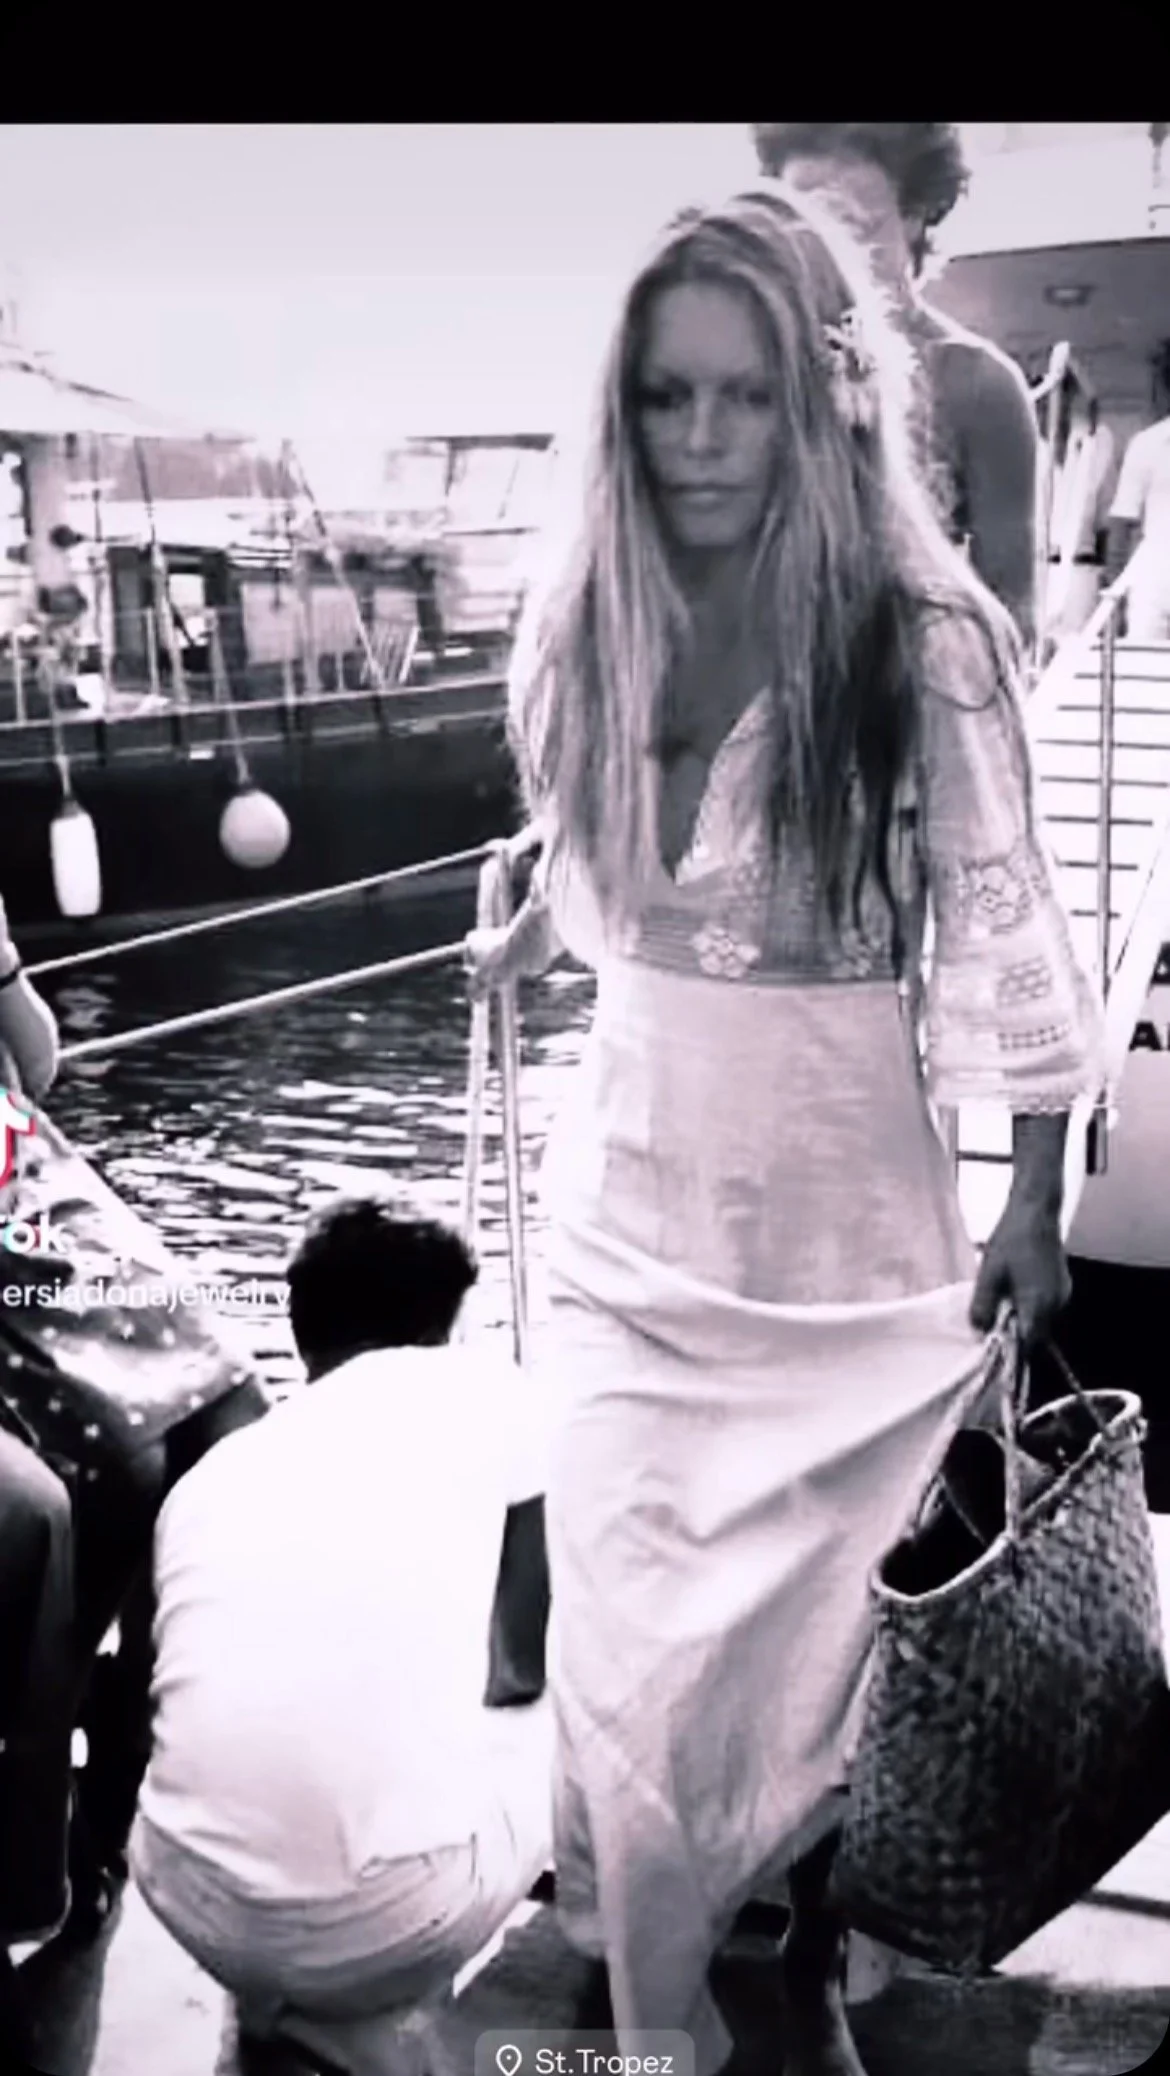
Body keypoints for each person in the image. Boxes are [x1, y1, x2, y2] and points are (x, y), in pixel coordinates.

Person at [464, 183, 1104, 2076]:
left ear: (827, 397)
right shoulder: (596, 606)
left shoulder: (925, 637)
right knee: (629, 1657)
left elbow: (1006, 916)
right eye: (666, 397)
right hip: (629, 1205)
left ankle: (800, 1944)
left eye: (743, 395)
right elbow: (605, 853)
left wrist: (1035, 1194)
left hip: (842, 1232)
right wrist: (527, 926)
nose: (701, 438)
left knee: (832, 1653)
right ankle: (663, 2023)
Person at [130, 1196, 553, 2076]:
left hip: (181, 1887)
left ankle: (284, 2004)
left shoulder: (212, 1476)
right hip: (392, 1925)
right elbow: (521, 1668)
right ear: (447, 1328)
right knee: (571, 1693)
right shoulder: (501, 1395)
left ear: (299, 1332)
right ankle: (364, 2014)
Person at [0, 892, 269, 1938]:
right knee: (124, 1470)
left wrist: (2, 964)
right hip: (16, 1261)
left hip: (49, 1200)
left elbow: (35, 1068)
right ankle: (44, 1833)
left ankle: (119, 1803)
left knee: (234, 1429)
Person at [750, 123, 1040, 649]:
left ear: (916, 214)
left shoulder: (977, 383)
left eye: (854, 228)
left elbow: (1010, 621)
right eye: (800, 228)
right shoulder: (746, 367)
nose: (825, 254)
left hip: (908, 687)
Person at [1105, 344, 1170, 639]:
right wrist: (1114, 600)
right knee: (1141, 658)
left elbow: (1121, 528)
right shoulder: (1148, 444)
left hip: (1154, 581)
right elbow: (1121, 526)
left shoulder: (1147, 443)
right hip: (1154, 582)